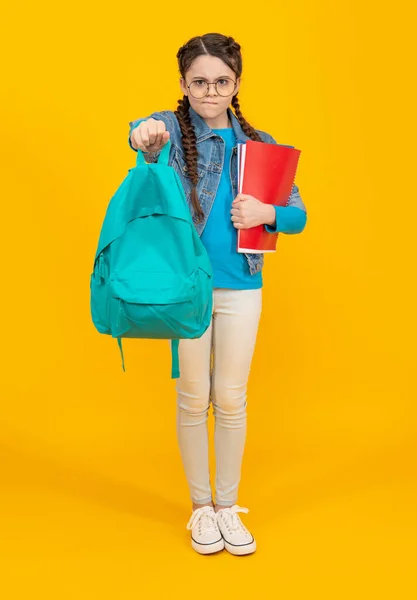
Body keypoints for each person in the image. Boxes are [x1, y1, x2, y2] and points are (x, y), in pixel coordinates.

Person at [128, 33, 307, 556]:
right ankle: (200, 509)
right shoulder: (171, 129)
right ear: (184, 84)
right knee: (192, 397)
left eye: (221, 82)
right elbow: (141, 134)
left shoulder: (260, 144)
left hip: (242, 287)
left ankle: (227, 507)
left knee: (230, 399)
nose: (211, 92)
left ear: (237, 84)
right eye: (200, 82)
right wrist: (146, 138)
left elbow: (298, 213)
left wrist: (267, 213)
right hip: (187, 289)